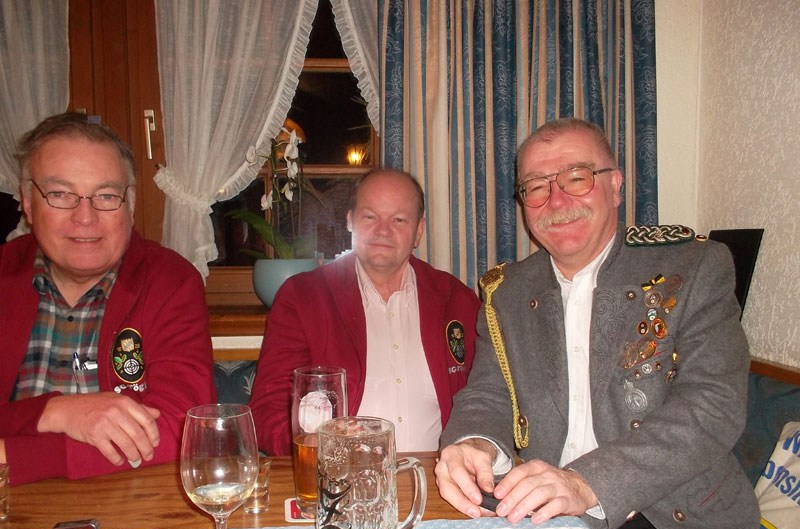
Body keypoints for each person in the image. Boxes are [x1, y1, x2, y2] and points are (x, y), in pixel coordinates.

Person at [435, 118, 759, 529]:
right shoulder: (507, 291)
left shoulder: (693, 266)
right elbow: (488, 393)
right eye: (536, 186)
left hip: (671, 521)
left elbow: (713, 405)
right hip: (543, 514)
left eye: (577, 177)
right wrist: (474, 443)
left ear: (615, 185)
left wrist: (588, 482)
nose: (556, 201)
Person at [0, 112, 215, 485]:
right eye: (60, 194)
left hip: (130, 502)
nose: (85, 217)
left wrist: (12, 456)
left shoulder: (171, 282)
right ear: (28, 203)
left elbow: (181, 428)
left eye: (106, 196)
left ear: (130, 206)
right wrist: (56, 412)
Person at [250, 168, 480, 454]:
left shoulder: (457, 299)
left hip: (435, 475)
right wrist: (315, 447)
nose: (383, 231)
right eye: (370, 217)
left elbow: (485, 398)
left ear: (418, 231)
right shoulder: (302, 298)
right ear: (350, 221)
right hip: (339, 475)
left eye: (399, 219)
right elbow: (269, 408)